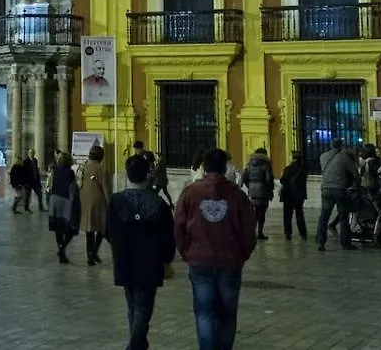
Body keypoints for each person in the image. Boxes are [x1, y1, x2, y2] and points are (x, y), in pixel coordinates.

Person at [175, 148, 257, 350]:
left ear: (204, 167)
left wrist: (186, 252)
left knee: (204, 313)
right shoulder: (237, 195)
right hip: (230, 261)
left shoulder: (190, 192)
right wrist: (242, 255)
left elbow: (178, 226)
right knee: (227, 315)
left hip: (199, 260)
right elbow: (249, 230)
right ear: (224, 167)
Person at [106, 153, 176, 350]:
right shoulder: (160, 205)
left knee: (132, 305)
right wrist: (166, 259)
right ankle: (135, 345)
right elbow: (168, 237)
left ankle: (139, 344)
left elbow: (107, 232)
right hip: (150, 263)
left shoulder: (116, 202)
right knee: (143, 307)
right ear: (148, 175)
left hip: (124, 260)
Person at [316, 139, 357, 251]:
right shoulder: (344, 157)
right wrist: (355, 184)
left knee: (324, 216)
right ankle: (345, 242)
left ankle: (320, 242)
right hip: (340, 189)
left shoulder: (323, 156)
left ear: (331, 145)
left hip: (325, 189)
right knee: (343, 216)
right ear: (341, 146)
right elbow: (354, 172)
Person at [79, 144, 110, 266]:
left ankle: (90, 255)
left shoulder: (83, 166)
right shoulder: (100, 168)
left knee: (89, 228)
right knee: (102, 227)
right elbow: (106, 188)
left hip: (85, 199)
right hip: (98, 201)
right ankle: (94, 251)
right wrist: (109, 202)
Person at [48, 152, 81, 264]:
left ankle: (61, 250)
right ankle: (62, 250)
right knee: (70, 228)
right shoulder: (70, 173)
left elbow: (52, 184)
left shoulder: (55, 170)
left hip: (54, 199)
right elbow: (72, 188)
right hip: (65, 200)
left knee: (58, 228)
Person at [242, 147, 274, 240]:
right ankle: (259, 233)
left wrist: (249, 185)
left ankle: (251, 232)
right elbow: (268, 179)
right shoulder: (266, 165)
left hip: (252, 191)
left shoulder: (249, 164)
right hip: (263, 191)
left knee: (254, 213)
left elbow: (244, 177)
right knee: (262, 213)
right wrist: (270, 189)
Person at [279, 150, 308, 240]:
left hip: (288, 194)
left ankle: (288, 233)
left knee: (287, 215)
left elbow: (283, 180)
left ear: (293, 158)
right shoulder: (304, 169)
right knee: (299, 214)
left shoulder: (288, 168)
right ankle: (303, 233)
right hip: (299, 194)